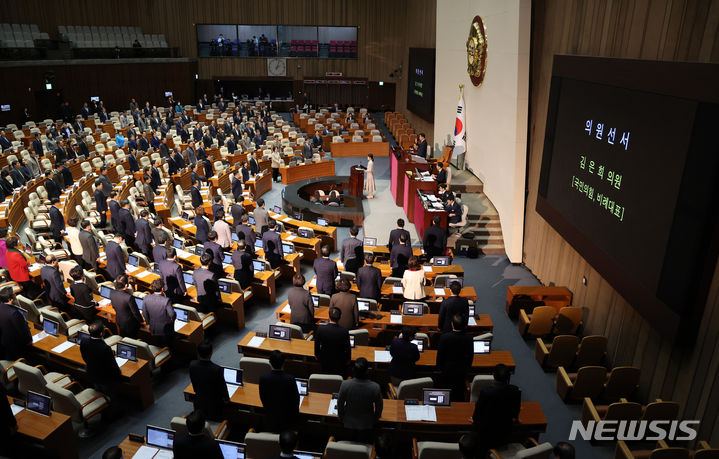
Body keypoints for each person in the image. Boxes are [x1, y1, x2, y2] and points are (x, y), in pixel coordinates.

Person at [472, 364, 521, 454]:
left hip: (486, 435)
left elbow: (477, 415)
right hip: (505, 433)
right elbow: (515, 413)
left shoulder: (486, 393)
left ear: (493, 375)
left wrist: (474, 420)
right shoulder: (515, 391)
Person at [337, 357, 383, 443]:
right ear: (367, 371)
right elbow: (379, 407)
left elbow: (340, 404)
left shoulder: (345, 385)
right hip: (367, 424)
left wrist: (342, 417)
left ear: (353, 370)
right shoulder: (375, 387)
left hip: (348, 423)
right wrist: (375, 419)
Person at [80, 321, 122, 405]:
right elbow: (112, 365)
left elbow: (84, 357)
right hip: (105, 378)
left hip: (92, 373)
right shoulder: (105, 348)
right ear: (101, 333)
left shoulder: (84, 341)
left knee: (99, 390)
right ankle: (113, 411)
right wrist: (119, 374)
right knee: (110, 395)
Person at [259, 350, 300, 433]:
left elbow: (262, 397)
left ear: (269, 363)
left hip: (270, 419)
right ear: (283, 363)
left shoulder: (263, 378)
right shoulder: (290, 379)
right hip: (287, 420)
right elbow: (296, 400)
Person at [436, 314, 474, 402]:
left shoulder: (444, 337)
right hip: (462, 371)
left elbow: (440, 356)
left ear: (452, 324)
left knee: (446, 393)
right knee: (459, 394)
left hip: (447, 370)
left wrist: (440, 369)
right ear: (465, 325)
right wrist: (467, 369)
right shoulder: (469, 338)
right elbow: (470, 356)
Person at [189, 342, 229, 422]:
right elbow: (222, 388)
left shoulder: (192, 365)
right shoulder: (216, 369)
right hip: (215, 406)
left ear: (198, 353)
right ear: (211, 353)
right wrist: (226, 399)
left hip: (199, 402)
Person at [314, 307, 351, 376]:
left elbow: (317, 344)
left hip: (324, 361)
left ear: (329, 317)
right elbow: (347, 347)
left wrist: (317, 355)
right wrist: (348, 359)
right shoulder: (344, 331)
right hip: (339, 362)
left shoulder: (320, 329)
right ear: (340, 317)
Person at [0, 287, 31, 361]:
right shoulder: (14, 313)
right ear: (10, 299)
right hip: (15, 347)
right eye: (14, 294)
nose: (15, 295)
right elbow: (22, 331)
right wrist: (29, 340)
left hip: (3, 344)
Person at [142, 278, 176, 345]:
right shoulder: (166, 300)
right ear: (162, 289)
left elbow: (144, 313)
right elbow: (172, 315)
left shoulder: (146, 298)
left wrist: (148, 323)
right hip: (166, 330)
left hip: (153, 327)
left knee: (157, 344)